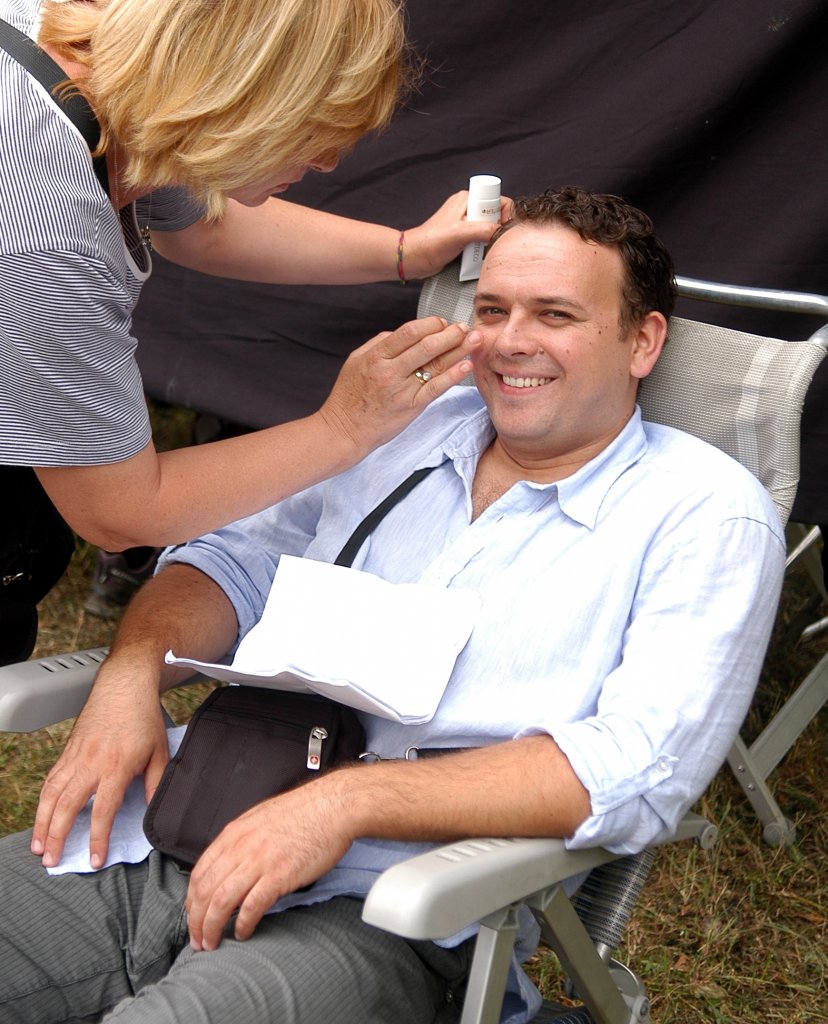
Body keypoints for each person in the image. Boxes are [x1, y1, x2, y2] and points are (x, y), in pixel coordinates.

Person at [0, 187, 786, 1024]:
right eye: (493, 309)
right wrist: (130, 672)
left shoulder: (704, 514)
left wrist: (346, 803)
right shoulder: (400, 424)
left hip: (385, 911)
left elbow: (638, 767)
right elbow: (232, 560)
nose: (510, 341)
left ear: (643, 340)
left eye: (555, 315)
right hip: (176, 823)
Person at [0, 0, 504, 553]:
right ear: (240, 98)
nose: (329, 161)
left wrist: (405, 250)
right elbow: (121, 510)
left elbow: (201, 225)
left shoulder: (85, 48)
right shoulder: (49, 239)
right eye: (314, 128)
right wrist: (346, 425)